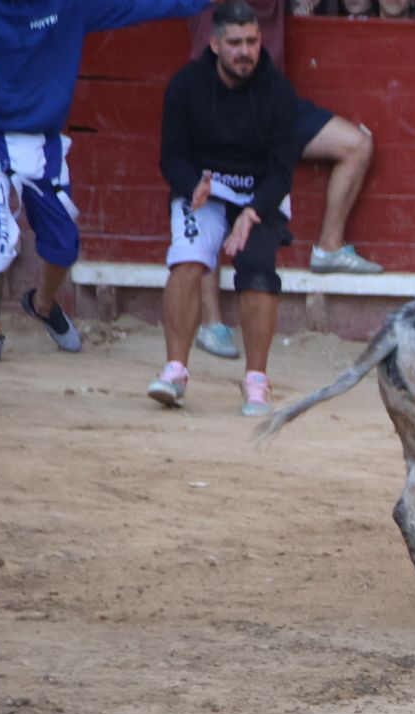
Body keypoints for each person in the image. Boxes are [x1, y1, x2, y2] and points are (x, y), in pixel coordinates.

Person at [0, 0, 211, 365]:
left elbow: (142, 4)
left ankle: (42, 304)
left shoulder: (69, 5)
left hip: (43, 140)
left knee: (63, 246)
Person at [187, 0, 383, 361]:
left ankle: (329, 246)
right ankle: (211, 322)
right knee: (209, 203)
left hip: (273, 107)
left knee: (356, 145)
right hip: (223, 107)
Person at [149, 1, 298, 417]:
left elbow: (282, 171)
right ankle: (175, 371)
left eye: (252, 41)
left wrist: (254, 211)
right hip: (204, 191)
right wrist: (192, 185)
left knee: (256, 266)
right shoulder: (184, 86)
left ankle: (256, 381)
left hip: (259, 194)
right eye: (235, 43)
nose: (245, 51)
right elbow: (172, 157)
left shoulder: (279, 92)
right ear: (214, 44)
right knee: (187, 259)